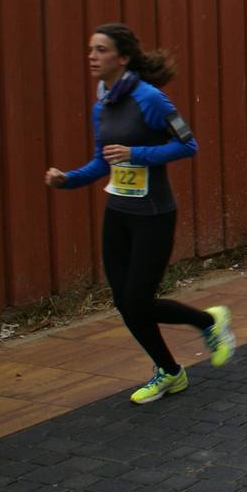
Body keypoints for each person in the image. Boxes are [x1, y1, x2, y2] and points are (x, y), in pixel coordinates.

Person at [46, 24, 233, 405]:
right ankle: (169, 372)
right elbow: (103, 162)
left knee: (138, 300)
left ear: (123, 57)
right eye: (90, 49)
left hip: (153, 214)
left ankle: (209, 323)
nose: (92, 57)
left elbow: (188, 144)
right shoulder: (102, 105)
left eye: (100, 50)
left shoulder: (152, 100)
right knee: (124, 301)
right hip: (118, 213)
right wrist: (69, 180)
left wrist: (137, 155)